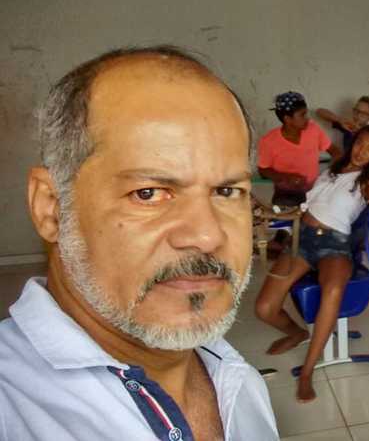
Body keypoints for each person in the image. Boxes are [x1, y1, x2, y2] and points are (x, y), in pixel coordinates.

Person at [0, 47, 278, 439]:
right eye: (149, 193)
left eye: (227, 190)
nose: (207, 235)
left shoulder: (239, 381)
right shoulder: (12, 408)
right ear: (50, 208)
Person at [254, 124, 369, 403]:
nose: (363, 152)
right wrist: (271, 214)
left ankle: (307, 372)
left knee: (333, 291)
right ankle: (297, 332)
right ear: (353, 143)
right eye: (361, 143)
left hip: (335, 245)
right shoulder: (333, 169)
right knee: (264, 308)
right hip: (302, 240)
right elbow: (308, 207)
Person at [258, 91, 341, 207]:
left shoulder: (313, 130)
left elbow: (335, 151)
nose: (307, 118)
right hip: (285, 195)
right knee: (285, 221)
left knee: (311, 222)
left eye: (306, 114)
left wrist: (331, 172)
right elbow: (263, 170)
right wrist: (285, 178)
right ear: (287, 119)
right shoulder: (269, 141)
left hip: (313, 192)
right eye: (302, 115)